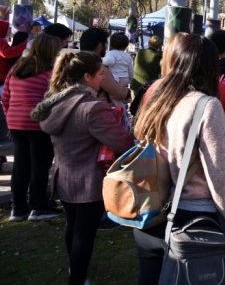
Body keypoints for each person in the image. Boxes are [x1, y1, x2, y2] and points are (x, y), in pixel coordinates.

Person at [128, 33, 225, 284]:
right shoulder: (205, 105)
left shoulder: (155, 94)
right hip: (191, 220)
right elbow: (222, 174)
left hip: (149, 208)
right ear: (210, 65)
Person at [31, 52, 134, 285]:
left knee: (74, 227)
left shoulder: (57, 101)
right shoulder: (92, 108)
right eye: (100, 75)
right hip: (88, 180)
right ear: (87, 77)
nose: (102, 80)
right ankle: (77, 278)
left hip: (64, 176)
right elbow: (122, 142)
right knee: (83, 234)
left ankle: (75, 272)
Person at [4, 34, 62, 221]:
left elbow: (6, 97)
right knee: (40, 166)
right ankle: (38, 206)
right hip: (38, 123)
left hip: (15, 122)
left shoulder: (16, 69)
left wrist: (10, 118)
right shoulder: (50, 73)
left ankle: (18, 207)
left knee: (20, 166)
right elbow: (55, 100)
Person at [79, 27, 129, 103]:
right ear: (99, 45)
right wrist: (127, 89)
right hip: (98, 109)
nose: (106, 47)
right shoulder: (97, 67)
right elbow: (119, 94)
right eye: (105, 43)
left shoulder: (76, 62)